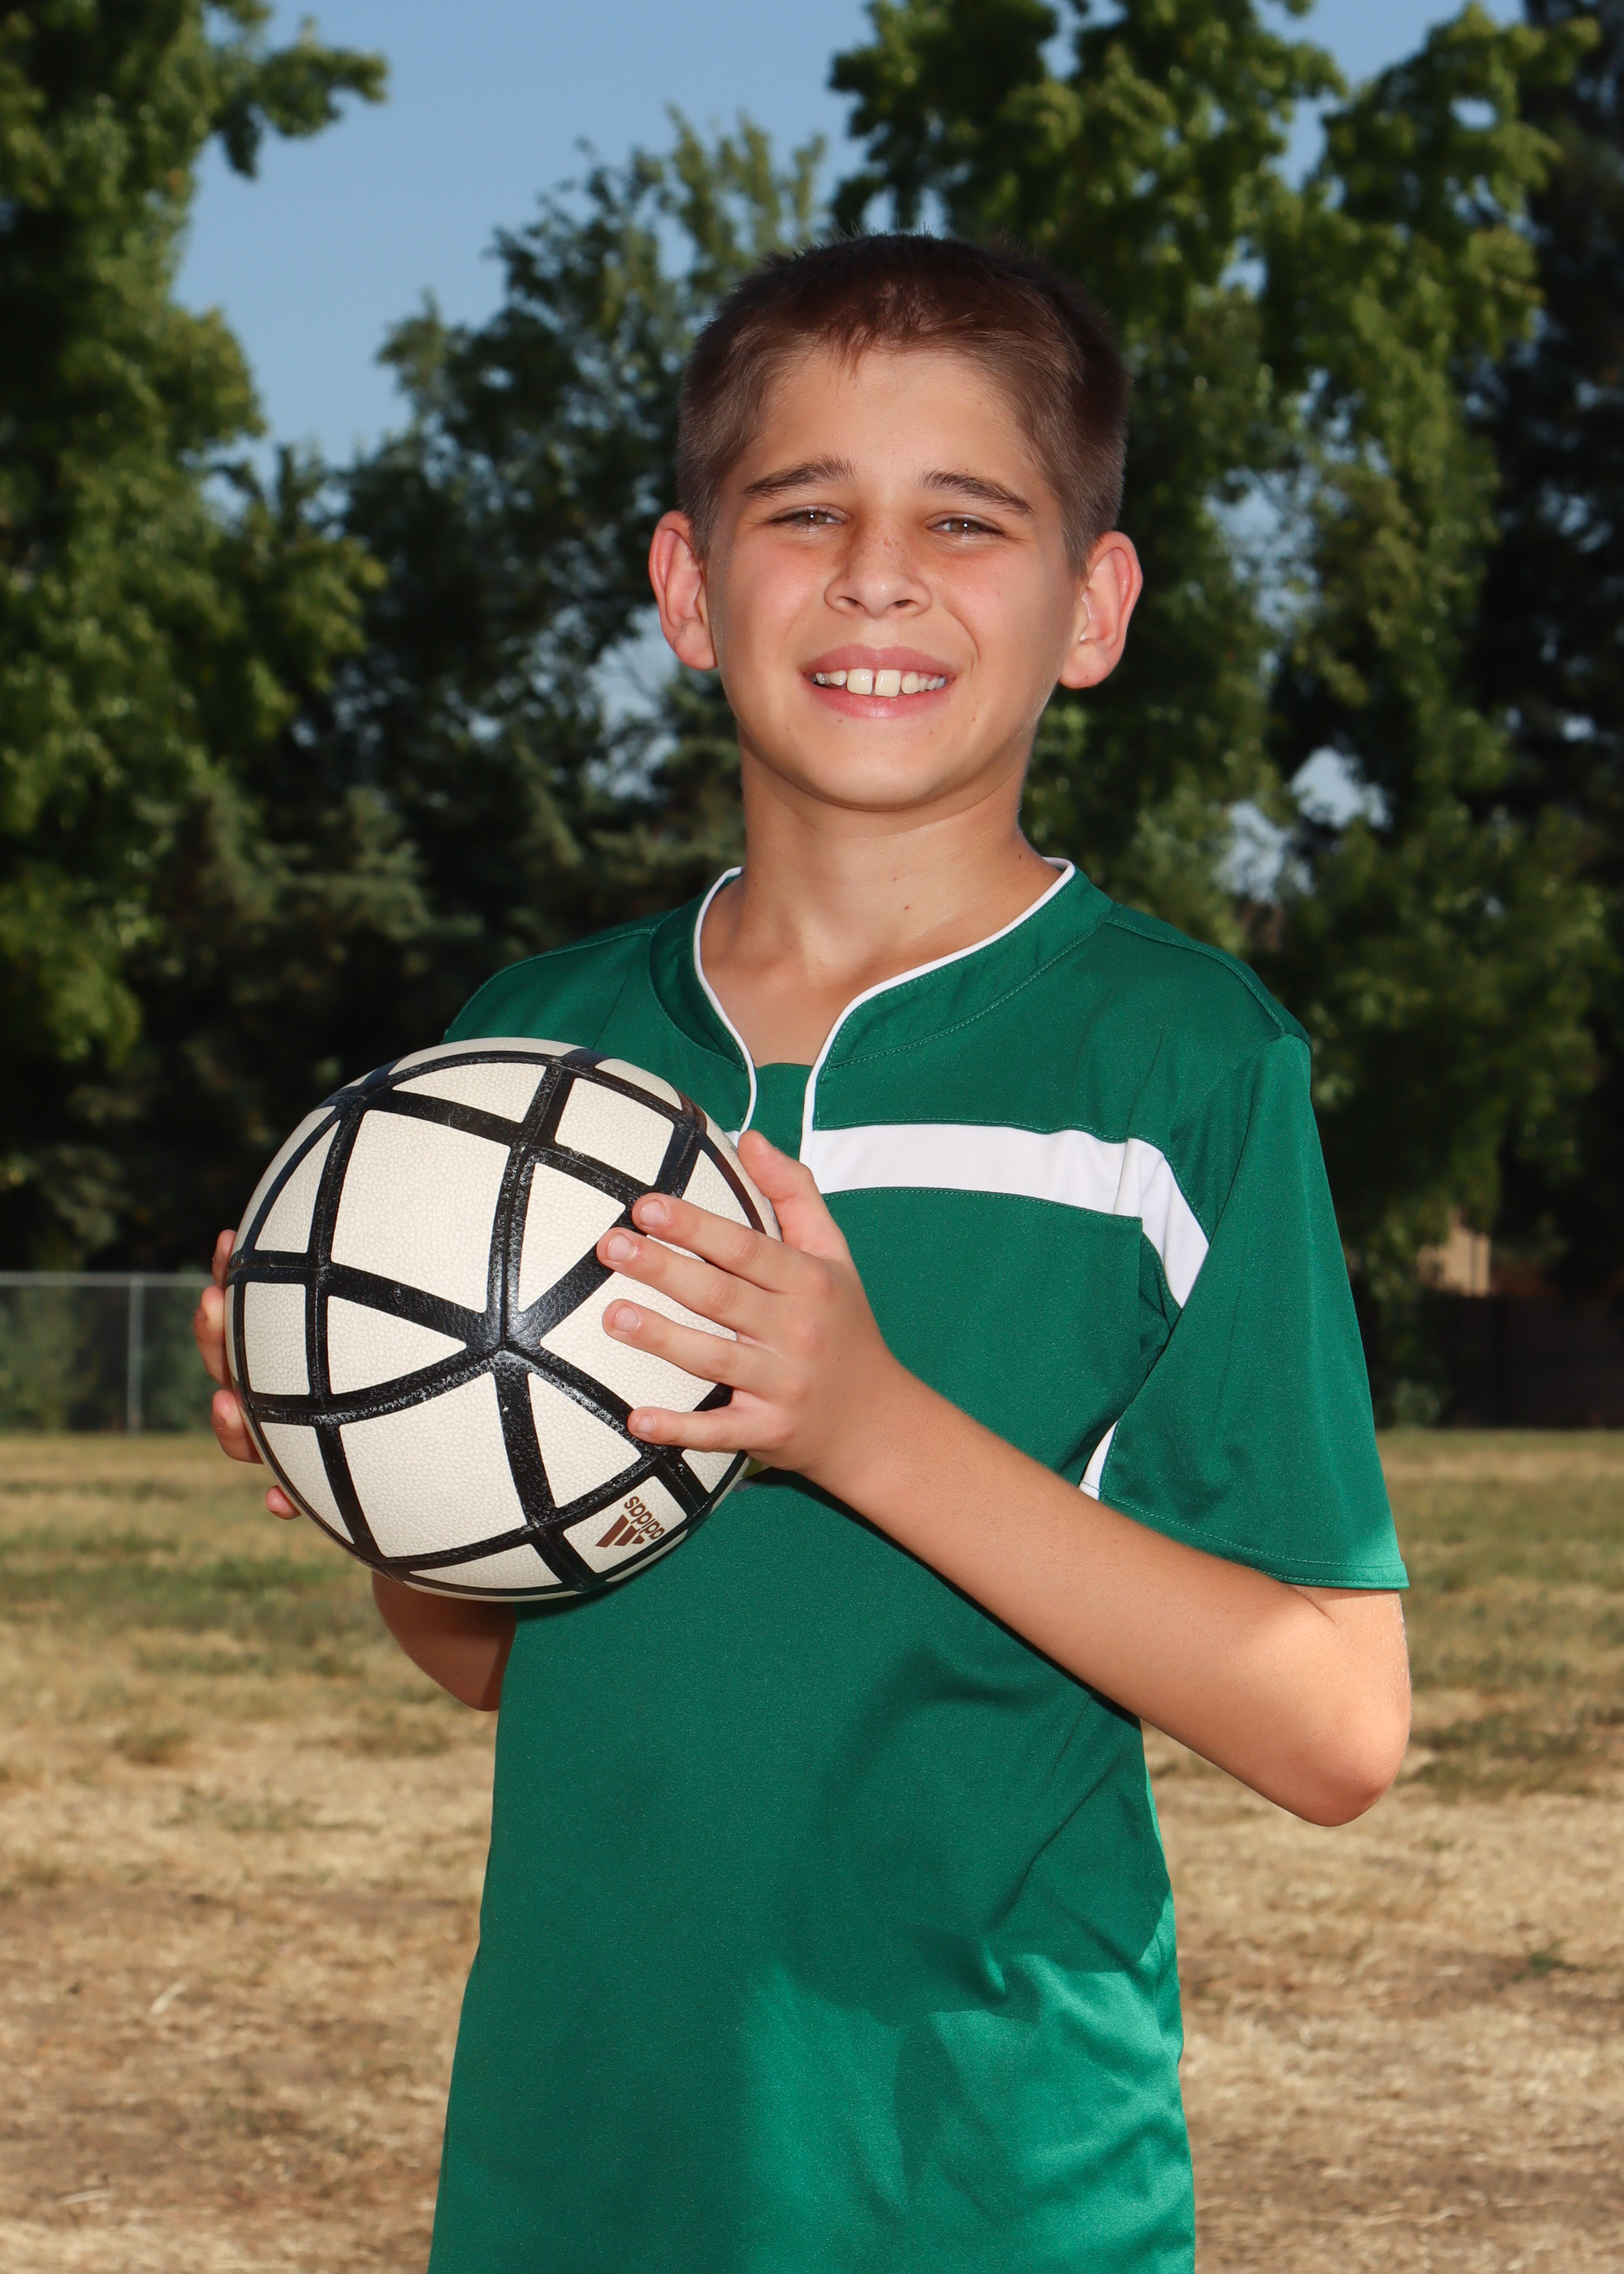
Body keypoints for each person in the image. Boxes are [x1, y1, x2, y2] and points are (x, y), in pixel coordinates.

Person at [195, 232, 1410, 2273]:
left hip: (992, 2193)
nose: (876, 576)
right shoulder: (529, 1056)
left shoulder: (1180, 1064)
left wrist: (862, 1423)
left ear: (1091, 606)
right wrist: (373, 1436)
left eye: (966, 518)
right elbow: (487, 1650)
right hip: (576, 2176)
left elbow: (1336, 1727)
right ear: (688, 588)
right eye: (806, 510)